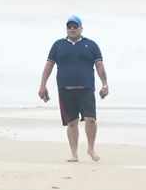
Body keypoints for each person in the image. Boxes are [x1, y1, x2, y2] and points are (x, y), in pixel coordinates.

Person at [38, 15, 108, 162]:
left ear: (81, 28)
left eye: (75, 27)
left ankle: (90, 148)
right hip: (65, 89)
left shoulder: (92, 45)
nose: (72, 29)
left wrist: (105, 84)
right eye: (69, 27)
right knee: (72, 123)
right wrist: (43, 85)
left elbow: (100, 66)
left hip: (86, 89)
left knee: (90, 119)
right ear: (66, 29)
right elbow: (49, 66)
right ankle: (74, 154)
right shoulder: (58, 45)